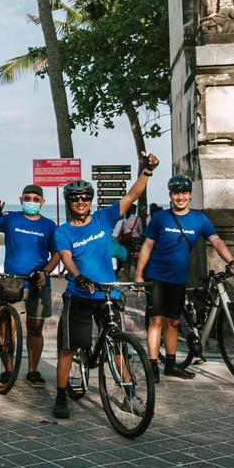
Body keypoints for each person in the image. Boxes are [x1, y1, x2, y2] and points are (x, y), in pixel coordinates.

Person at [52, 153, 158, 419]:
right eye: (75, 198)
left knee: (120, 346)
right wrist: (78, 276)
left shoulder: (102, 218)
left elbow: (132, 195)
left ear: (91, 201)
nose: (80, 202)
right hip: (79, 294)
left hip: (107, 293)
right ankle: (61, 395)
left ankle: (131, 395)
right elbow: (66, 258)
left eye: (85, 197)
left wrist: (147, 171)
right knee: (68, 348)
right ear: (69, 202)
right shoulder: (63, 231)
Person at [135, 174, 234, 382]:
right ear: (170, 195)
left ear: (190, 195)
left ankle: (171, 365)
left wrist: (232, 261)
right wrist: (138, 274)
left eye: (184, 193)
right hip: (156, 276)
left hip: (178, 279)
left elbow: (216, 241)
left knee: (174, 322)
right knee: (156, 320)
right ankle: (154, 365)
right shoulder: (160, 218)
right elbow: (147, 246)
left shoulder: (200, 220)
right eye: (176, 193)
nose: (180, 197)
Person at [0, 184, 59, 388]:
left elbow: (57, 254)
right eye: (27, 198)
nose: (31, 202)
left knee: (35, 328)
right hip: (11, 283)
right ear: (21, 199)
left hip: (39, 283)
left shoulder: (49, 226)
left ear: (42, 202)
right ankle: (7, 370)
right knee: (6, 329)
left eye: (35, 199)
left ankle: (32, 372)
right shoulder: (11, 218)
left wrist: (46, 272)